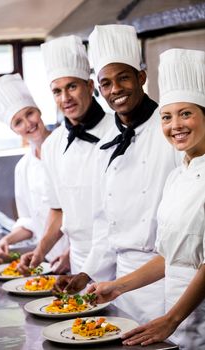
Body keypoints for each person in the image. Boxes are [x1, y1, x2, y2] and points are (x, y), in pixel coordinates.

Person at [56, 24, 181, 325]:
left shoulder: (171, 130)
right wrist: (86, 273)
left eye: (123, 78)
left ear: (141, 77)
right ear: (99, 89)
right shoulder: (107, 142)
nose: (116, 90)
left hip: (168, 280)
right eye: (106, 83)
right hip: (121, 285)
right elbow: (105, 224)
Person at [87, 48, 205, 349]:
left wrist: (172, 318)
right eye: (166, 116)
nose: (175, 125)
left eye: (186, 113)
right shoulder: (178, 176)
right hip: (175, 310)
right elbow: (168, 256)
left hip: (192, 313)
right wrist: (117, 287)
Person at [18, 35, 113, 275]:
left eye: (72, 86)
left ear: (90, 87)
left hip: (119, 259)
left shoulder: (118, 131)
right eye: (57, 91)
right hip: (78, 260)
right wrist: (40, 252)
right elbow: (58, 210)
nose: (65, 98)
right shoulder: (53, 145)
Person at [0, 74, 69, 273]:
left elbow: (86, 212)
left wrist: (73, 252)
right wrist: (7, 240)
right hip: (50, 262)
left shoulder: (67, 145)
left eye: (29, 114)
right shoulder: (23, 168)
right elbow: (29, 221)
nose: (28, 124)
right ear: (14, 130)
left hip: (83, 256)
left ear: (39, 112)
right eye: (18, 122)